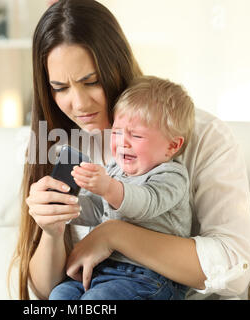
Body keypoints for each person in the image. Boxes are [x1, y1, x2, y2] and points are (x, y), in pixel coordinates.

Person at [10, 0, 250, 300]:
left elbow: (235, 268)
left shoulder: (200, 135)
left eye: (92, 82)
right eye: (60, 88)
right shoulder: (57, 142)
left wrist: (115, 235)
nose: (79, 104)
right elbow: (45, 293)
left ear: (117, 65)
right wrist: (51, 230)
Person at [48, 75, 195, 300]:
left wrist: (108, 187)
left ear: (172, 146)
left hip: (151, 277)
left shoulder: (171, 175)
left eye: (136, 135)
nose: (123, 142)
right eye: (116, 132)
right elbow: (100, 210)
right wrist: (68, 205)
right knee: (61, 294)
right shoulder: (116, 169)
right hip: (105, 270)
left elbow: (145, 203)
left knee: (96, 302)